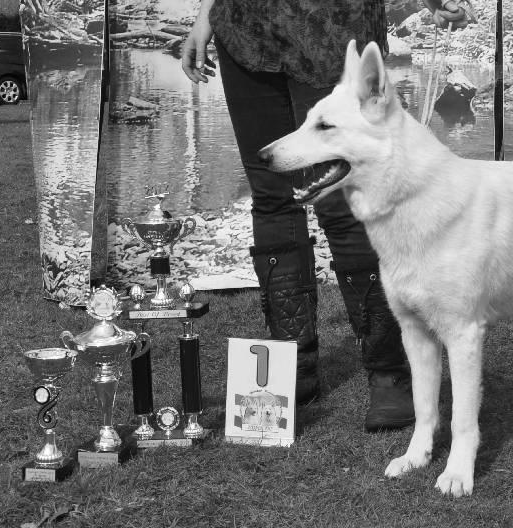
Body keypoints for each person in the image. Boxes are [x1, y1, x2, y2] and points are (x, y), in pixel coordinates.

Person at [182, 0, 466, 431]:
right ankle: (290, 366)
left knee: (345, 200)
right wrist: (208, 13)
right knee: (274, 195)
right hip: (247, 28)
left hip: (335, 25)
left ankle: (390, 370)